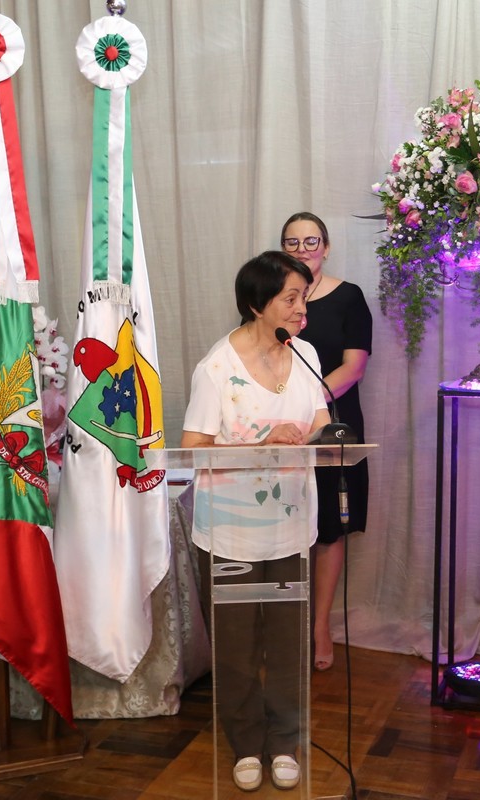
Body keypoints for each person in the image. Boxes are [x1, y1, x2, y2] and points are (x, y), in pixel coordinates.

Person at [181, 250, 330, 792]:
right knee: (238, 648)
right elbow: (193, 447)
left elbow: (320, 419)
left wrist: (314, 436)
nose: (301, 309)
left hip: (291, 526)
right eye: (290, 299)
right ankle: (246, 744)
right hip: (231, 532)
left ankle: (285, 742)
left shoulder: (306, 354)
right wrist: (262, 442)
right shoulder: (216, 368)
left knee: (290, 644)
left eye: (303, 298)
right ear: (256, 304)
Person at [280, 211, 372, 672]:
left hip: (332, 424)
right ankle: (286, 625)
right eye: (293, 242)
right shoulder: (272, 299)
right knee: (284, 519)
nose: (303, 250)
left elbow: (354, 367)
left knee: (330, 529)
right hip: (280, 426)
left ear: (327, 247)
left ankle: (320, 626)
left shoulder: (349, 297)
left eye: (311, 241)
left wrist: (308, 407)